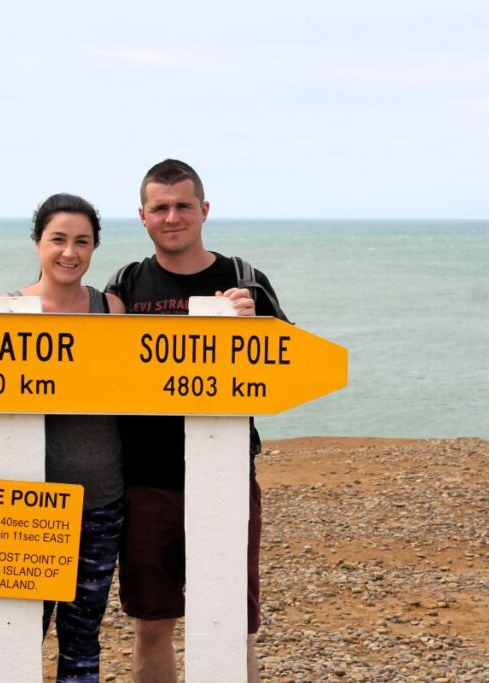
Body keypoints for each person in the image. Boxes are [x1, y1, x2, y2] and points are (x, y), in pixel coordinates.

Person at [105, 159, 286, 683]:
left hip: (227, 478)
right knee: (151, 625)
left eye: (183, 205)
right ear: (142, 216)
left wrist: (257, 327)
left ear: (204, 210)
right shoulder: (124, 284)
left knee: (232, 627)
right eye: (160, 207)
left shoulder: (245, 280)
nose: (172, 217)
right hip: (145, 481)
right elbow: (101, 370)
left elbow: (289, 368)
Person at [0, 193, 125, 683]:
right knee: (18, 634)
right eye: (58, 239)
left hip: (102, 502)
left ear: (95, 247)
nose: (69, 252)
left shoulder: (110, 309)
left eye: (83, 241)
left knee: (82, 638)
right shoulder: (8, 310)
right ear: (38, 242)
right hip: (26, 508)